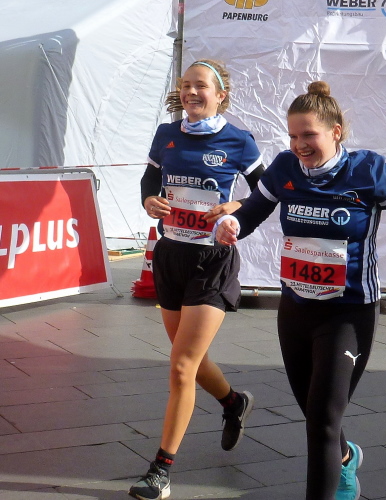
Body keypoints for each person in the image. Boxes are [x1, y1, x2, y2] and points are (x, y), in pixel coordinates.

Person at [215, 81, 386, 500]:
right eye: (293, 136)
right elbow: (252, 211)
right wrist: (233, 223)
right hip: (295, 309)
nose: (299, 145)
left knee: (323, 421)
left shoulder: (370, 171)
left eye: (308, 134)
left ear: (336, 132)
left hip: (348, 313)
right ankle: (345, 458)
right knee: (315, 414)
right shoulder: (285, 168)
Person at [129, 59, 264, 500]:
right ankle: (233, 402)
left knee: (181, 366)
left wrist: (235, 208)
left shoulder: (238, 140)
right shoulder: (166, 134)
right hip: (170, 255)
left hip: (212, 262)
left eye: (200, 86)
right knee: (188, 358)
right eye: (185, 85)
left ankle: (161, 470)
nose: (190, 92)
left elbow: (264, 193)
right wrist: (149, 199)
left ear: (220, 94)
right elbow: (150, 177)